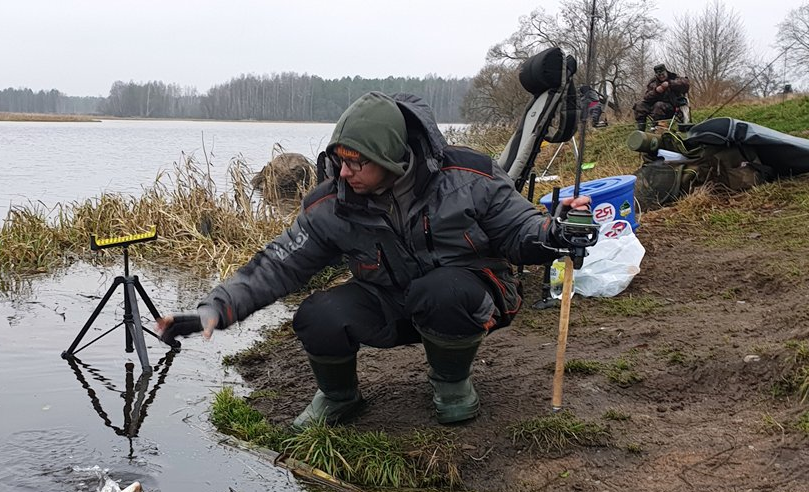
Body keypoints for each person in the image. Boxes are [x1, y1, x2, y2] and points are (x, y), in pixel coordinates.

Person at [158, 91, 592, 428]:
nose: (342, 173)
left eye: (355, 162)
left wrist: (554, 232)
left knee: (440, 291)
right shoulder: (333, 203)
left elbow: (521, 231)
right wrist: (216, 308)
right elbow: (277, 264)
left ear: (391, 157)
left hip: (471, 298)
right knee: (318, 314)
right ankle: (339, 397)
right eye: (337, 160)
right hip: (390, 301)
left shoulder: (469, 177)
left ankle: (451, 384)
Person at [633, 64, 690, 131]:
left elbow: (686, 84)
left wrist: (670, 84)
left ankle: (659, 128)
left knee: (658, 105)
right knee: (639, 105)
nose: (661, 76)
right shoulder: (653, 82)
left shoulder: (674, 77)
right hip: (654, 107)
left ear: (666, 71)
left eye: (663, 74)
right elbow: (646, 97)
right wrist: (656, 91)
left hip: (673, 107)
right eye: (659, 75)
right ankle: (640, 130)